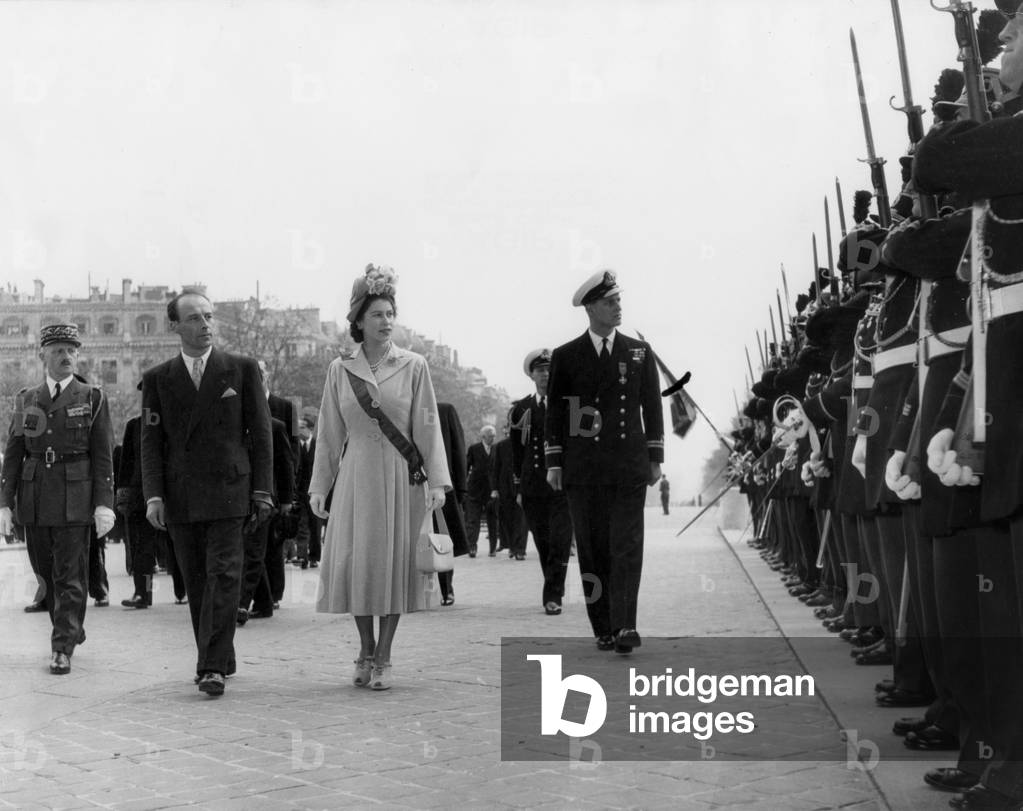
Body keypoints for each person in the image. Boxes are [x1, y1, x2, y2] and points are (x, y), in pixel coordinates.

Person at [308, 264, 450, 691]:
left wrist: (439, 483)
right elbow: (329, 433)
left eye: (391, 313)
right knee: (357, 563)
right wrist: (320, 486)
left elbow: (427, 426)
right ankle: (365, 647)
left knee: (393, 565)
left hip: (400, 476)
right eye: (377, 314)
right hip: (356, 477)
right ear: (358, 322)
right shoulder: (340, 370)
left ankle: (385, 654)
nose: (387, 321)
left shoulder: (414, 365)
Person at [141, 288, 273, 697]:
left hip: (230, 491)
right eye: (195, 318)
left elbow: (262, 433)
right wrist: (154, 495)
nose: (205, 325)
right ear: (175, 326)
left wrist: (263, 490)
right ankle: (222, 656)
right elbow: (151, 442)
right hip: (181, 496)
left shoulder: (241, 369)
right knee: (197, 580)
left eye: (209, 316)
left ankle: (211, 666)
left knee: (224, 574)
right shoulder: (158, 379)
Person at [545, 270, 664, 654]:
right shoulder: (566, 356)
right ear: (592, 308)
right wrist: (554, 461)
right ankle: (603, 627)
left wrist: (655, 457)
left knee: (627, 547)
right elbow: (555, 414)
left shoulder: (638, 352)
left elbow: (652, 406)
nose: (618, 308)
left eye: (619, 300)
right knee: (594, 550)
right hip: (584, 469)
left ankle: (626, 625)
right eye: (610, 302)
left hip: (628, 466)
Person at [0, 323, 116, 675]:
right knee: (46, 576)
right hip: (34, 498)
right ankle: (70, 626)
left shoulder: (92, 397)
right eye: (57, 351)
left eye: (71, 350)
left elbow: (103, 454)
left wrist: (104, 503)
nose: (66, 357)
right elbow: (14, 453)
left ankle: (61, 646)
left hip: (75, 497)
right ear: (42, 356)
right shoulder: (26, 399)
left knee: (70, 575)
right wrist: (5, 503)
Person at [510, 348, 573, 615]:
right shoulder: (520, 409)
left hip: (563, 484)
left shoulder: (569, 403)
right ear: (531, 375)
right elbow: (516, 451)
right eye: (540, 370)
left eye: (549, 369)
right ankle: (555, 583)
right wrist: (517, 487)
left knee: (560, 540)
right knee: (544, 541)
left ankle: (553, 593)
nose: (545, 375)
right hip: (533, 486)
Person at [435, 402, 470, 605]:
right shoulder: (400, 408)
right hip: (408, 485)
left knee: (441, 538)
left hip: (443, 485)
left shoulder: (444, 410)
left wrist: (462, 488)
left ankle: (446, 588)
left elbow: (458, 447)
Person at [493, 422, 527, 559]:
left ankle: (520, 549)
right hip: (505, 487)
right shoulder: (501, 446)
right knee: (508, 518)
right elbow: (496, 468)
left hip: (521, 486)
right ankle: (512, 547)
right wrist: (495, 488)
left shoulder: (525, 444)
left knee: (521, 518)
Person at [464, 425, 499, 557]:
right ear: (483, 436)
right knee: (473, 520)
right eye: (491, 436)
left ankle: (493, 548)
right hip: (475, 490)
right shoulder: (474, 449)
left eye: (494, 436)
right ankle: (472, 547)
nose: (493, 438)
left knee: (493, 520)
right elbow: (466, 467)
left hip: (492, 491)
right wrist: (464, 486)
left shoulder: (497, 449)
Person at [293, 416, 321, 569]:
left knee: (315, 526)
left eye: (302, 427)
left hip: (315, 493)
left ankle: (314, 557)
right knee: (302, 525)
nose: (299, 430)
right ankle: (302, 556)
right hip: (300, 493)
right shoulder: (295, 445)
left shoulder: (318, 445)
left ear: (310, 429)